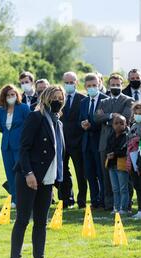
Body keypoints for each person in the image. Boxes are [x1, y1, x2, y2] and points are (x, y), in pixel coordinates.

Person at [11, 85, 65, 258]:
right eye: (54, 97)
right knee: (23, 219)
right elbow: (23, 148)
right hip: (30, 176)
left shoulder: (57, 121)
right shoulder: (36, 117)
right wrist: (28, 174)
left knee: (41, 221)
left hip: (47, 177)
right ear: (46, 98)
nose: (58, 101)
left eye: (60, 97)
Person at [94, 74, 134, 212]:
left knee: (124, 176)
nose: (115, 87)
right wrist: (112, 115)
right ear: (109, 85)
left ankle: (126, 205)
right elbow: (96, 117)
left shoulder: (128, 100)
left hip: (122, 143)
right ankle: (110, 204)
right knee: (107, 176)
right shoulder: (103, 101)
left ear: (122, 85)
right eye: (113, 84)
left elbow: (126, 117)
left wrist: (106, 118)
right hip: (105, 143)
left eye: (118, 84)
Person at [79, 73, 110, 211]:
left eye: (94, 85)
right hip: (86, 143)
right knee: (89, 174)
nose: (92, 88)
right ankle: (94, 201)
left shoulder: (106, 100)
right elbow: (80, 119)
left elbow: (105, 122)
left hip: (100, 142)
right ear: (85, 87)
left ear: (99, 84)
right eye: (89, 86)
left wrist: (91, 126)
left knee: (101, 172)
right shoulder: (83, 102)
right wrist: (82, 124)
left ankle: (104, 200)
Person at [0, 85, 31, 207]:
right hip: (6, 146)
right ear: (4, 97)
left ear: (17, 95)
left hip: (20, 146)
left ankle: (24, 198)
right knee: (10, 173)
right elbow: (2, 128)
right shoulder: (0, 110)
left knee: (21, 173)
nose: (11, 97)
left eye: (13, 94)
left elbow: (29, 126)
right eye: (8, 95)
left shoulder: (23, 108)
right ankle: (14, 199)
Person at [59, 72, 87, 210]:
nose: (69, 84)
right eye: (67, 82)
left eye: (72, 82)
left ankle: (82, 200)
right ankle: (66, 199)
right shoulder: (59, 99)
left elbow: (82, 120)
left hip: (77, 142)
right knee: (63, 172)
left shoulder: (83, 99)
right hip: (62, 143)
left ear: (76, 83)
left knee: (80, 173)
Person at [105, 115, 129, 215]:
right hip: (111, 165)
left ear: (126, 124)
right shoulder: (110, 136)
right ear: (112, 125)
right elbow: (107, 148)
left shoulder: (126, 136)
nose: (119, 125)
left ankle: (123, 208)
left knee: (123, 188)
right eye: (116, 123)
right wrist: (109, 153)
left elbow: (124, 150)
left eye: (121, 123)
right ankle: (116, 207)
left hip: (121, 165)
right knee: (115, 188)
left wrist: (114, 154)